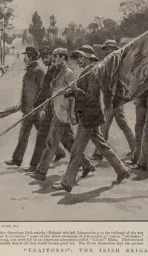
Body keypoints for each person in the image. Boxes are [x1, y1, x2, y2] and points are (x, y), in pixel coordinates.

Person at [52, 45, 130, 192]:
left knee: (76, 150)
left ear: (89, 58)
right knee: (102, 145)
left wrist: (74, 91)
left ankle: (67, 183)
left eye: (81, 57)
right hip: (91, 116)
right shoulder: (86, 72)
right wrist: (68, 92)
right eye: (78, 57)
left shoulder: (93, 73)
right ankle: (121, 171)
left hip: (89, 116)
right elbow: (80, 91)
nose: (79, 60)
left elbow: (91, 97)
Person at [30, 47, 96, 181]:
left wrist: (71, 113)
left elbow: (73, 93)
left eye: (57, 57)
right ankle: (87, 164)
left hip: (63, 112)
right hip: (56, 110)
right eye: (54, 56)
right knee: (68, 142)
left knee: (51, 141)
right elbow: (51, 92)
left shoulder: (68, 73)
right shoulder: (57, 71)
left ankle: (41, 172)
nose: (54, 59)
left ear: (63, 58)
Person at [22, 46, 66, 173]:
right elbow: (45, 91)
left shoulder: (54, 70)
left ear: (52, 57)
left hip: (54, 108)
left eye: (46, 57)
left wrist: (38, 106)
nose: (44, 60)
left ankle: (35, 166)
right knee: (46, 136)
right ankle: (35, 166)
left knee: (63, 138)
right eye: (43, 58)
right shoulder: (51, 69)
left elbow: (47, 91)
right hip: (49, 108)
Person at [92, 40, 135, 160]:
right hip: (109, 99)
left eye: (109, 49)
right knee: (106, 126)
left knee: (121, 124)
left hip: (117, 99)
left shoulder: (120, 64)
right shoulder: (105, 65)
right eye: (106, 49)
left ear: (114, 50)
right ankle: (99, 152)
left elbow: (125, 81)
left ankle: (135, 149)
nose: (107, 51)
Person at [4, 47, 45, 167]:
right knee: (24, 134)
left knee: (43, 134)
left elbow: (43, 91)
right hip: (28, 109)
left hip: (36, 110)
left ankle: (58, 152)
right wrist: (22, 104)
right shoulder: (29, 71)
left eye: (25, 56)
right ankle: (17, 159)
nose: (23, 59)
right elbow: (26, 90)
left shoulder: (39, 71)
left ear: (31, 57)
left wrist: (39, 107)